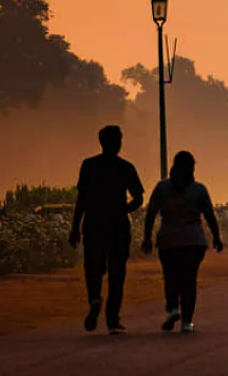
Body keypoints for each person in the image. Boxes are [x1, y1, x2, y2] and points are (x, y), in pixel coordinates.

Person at [68, 125, 144, 334]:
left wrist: (75, 227)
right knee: (117, 271)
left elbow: (81, 199)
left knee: (93, 267)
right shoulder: (125, 167)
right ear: (118, 142)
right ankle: (112, 319)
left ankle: (94, 298)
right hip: (117, 224)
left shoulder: (89, 165)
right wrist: (123, 210)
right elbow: (138, 198)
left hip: (93, 222)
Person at [142, 151, 223, 333]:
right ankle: (187, 322)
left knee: (170, 276)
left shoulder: (162, 188)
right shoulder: (199, 189)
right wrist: (216, 237)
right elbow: (209, 215)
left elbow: (151, 214)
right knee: (189, 280)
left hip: (168, 240)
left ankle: (173, 308)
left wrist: (147, 237)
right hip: (193, 240)